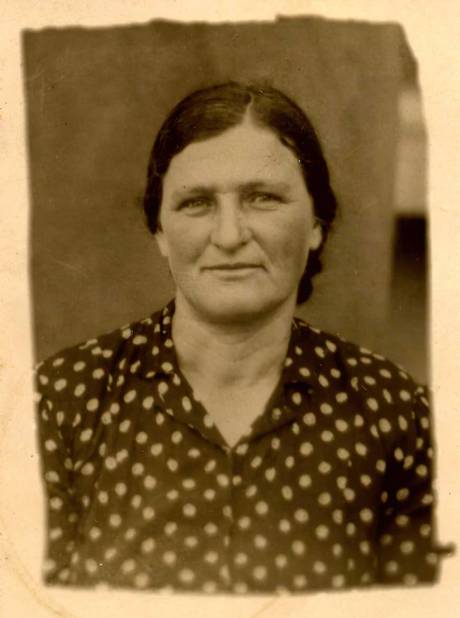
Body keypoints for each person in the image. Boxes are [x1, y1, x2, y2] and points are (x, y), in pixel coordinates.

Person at [34, 82, 446, 594]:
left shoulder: (397, 416)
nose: (229, 236)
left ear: (316, 224)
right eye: (197, 203)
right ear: (160, 230)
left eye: (262, 198)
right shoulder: (61, 402)